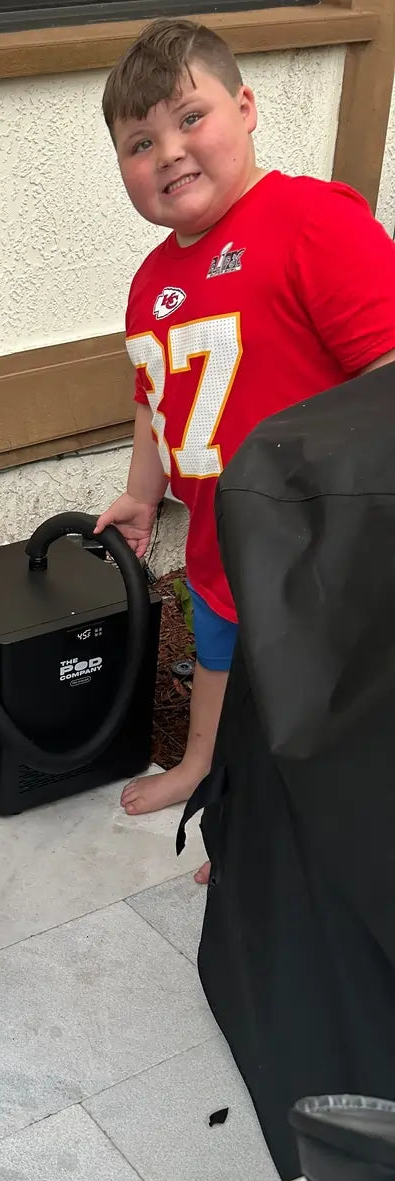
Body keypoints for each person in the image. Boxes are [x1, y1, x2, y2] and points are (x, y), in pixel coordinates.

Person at [94, 18, 395, 880]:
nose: (169, 152)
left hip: (317, 552)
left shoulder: (312, 221)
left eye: (191, 117)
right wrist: (143, 492)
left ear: (247, 107)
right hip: (222, 535)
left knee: (302, 698)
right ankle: (202, 765)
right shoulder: (152, 280)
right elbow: (153, 395)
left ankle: (269, 838)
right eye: (140, 143)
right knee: (220, 652)